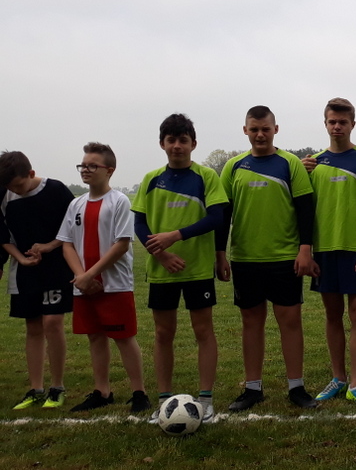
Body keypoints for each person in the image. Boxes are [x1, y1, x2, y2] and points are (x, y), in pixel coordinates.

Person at [216, 105, 318, 411]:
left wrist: (305, 249)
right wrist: (220, 254)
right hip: (245, 258)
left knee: (290, 321)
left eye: (265, 129)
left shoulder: (290, 164)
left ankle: (296, 388)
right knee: (251, 322)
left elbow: (305, 208)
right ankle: (252, 388)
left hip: (284, 258)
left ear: (276, 129)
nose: (260, 135)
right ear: (245, 131)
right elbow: (223, 214)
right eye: (254, 129)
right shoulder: (233, 166)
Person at [132, 114, 227, 422]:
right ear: (162, 144)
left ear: (193, 144)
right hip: (162, 270)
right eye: (171, 140)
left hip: (197, 268)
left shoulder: (206, 177)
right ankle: (164, 401)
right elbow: (140, 223)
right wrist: (162, 256)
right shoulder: (151, 179)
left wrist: (176, 235)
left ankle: (206, 401)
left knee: (203, 331)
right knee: (163, 333)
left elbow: (216, 217)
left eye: (183, 140)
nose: (177, 146)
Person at [58, 143, 151, 413]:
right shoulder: (76, 204)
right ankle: (102, 391)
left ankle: (139, 393)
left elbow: (122, 244)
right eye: (83, 165)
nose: (85, 170)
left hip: (114, 285)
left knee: (123, 337)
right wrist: (81, 277)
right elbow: (66, 244)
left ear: (109, 170)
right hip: (83, 286)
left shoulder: (119, 201)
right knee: (95, 337)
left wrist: (90, 274)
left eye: (92, 166)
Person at [307, 98, 356, 407]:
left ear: (353, 124)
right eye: (332, 122)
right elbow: (303, 210)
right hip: (325, 251)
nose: (337, 126)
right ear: (325, 124)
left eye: (343, 122)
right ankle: (338, 377)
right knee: (332, 315)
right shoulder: (313, 164)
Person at [0, 151, 75, 410]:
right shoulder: (4, 195)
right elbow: (3, 235)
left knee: (53, 323)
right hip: (24, 270)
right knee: (32, 327)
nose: (14, 191)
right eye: (9, 187)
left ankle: (57, 387)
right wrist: (21, 258)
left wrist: (49, 246)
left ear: (31, 174)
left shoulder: (55, 190)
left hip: (56, 267)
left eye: (18, 185)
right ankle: (35, 389)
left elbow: (73, 227)